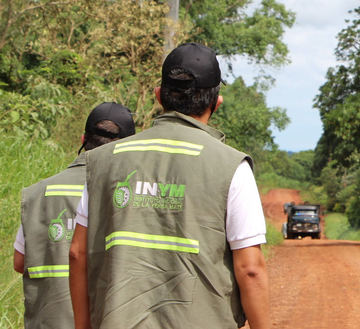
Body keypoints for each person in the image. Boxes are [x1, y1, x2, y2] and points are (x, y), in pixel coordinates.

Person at [69, 42, 269, 329]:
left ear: (159, 95)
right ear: (216, 102)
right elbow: (250, 269)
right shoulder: (232, 167)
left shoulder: (102, 161)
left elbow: (77, 252)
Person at [13, 102, 136, 329]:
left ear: (83, 139)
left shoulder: (37, 193)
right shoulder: (129, 196)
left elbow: (20, 261)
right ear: (127, 147)